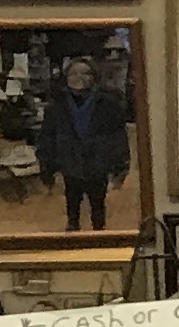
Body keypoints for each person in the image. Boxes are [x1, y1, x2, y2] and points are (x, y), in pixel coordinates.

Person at [40, 54, 129, 236]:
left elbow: (118, 137)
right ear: (66, 77)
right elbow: (47, 138)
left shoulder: (109, 104)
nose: (79, 77)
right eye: (73, 73)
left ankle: (99, 236)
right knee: (72, 205)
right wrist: (48, 170)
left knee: (98, 206)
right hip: (69, 164)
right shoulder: (56, 106)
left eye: (85, 73)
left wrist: (120, 168)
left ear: (94, 77)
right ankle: (73, 235)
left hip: (98, 164)